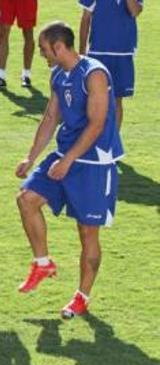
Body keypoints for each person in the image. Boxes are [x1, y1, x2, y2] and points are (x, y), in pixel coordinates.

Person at [15, 21, 123, 319]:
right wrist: (31, 157)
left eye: (44, 49)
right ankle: (42, 262)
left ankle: (81, 296)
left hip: (93, 164)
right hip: (64, 155)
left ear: (59, 47)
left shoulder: (95, 75)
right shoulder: (58, 75)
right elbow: (51, 117)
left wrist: (68, 161)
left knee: (87, 233)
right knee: (27, 199)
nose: (41, 54)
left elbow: (97, 124)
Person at [78, 0, 144, 130]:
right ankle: (92, 140)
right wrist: (82, 52)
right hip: (98, 52)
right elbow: (85, 19)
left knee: (117, 100)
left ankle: (112, 145)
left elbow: (134, 11)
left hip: (123, 52)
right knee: (95, 99)